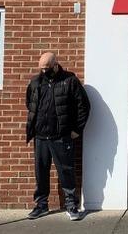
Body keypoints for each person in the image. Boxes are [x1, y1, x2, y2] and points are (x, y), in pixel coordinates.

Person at [25, 52, 90, 221]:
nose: (44, 71)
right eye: (41, 68)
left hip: (61, 136)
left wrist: (77, 129)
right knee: (41, 172)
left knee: (66, 170)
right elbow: (29, 103)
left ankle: (71, 205)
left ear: (55, 65)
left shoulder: (69, 81)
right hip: (40, 136)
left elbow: (83, 106)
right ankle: (41, 205)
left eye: (47, 68)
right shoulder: (35, 82)